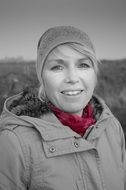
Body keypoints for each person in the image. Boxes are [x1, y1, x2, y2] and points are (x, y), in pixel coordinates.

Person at [0, 26, 125, 190]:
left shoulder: (111, 126)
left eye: (83, 65)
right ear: (42, 77)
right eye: (57, 67)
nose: (72, 78)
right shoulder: (14, 143)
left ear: (95, 74)